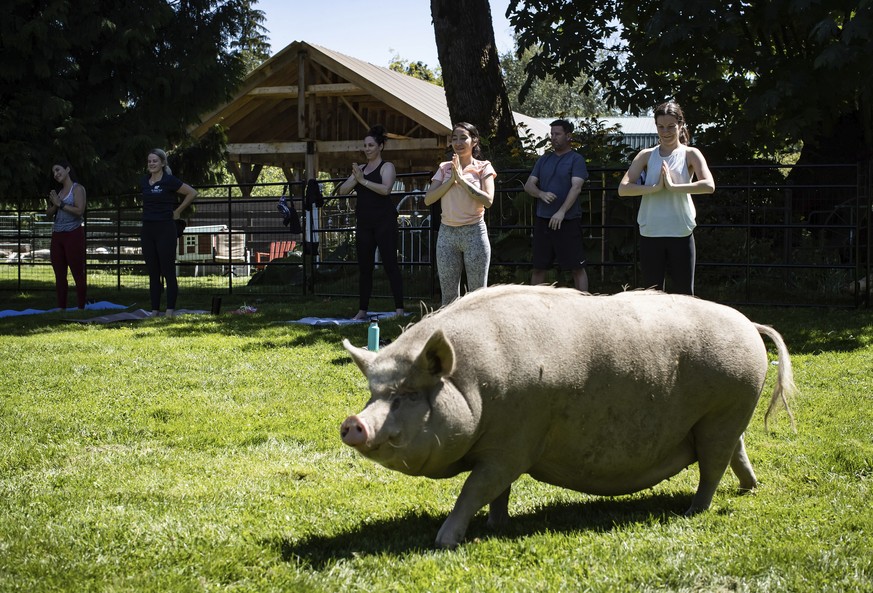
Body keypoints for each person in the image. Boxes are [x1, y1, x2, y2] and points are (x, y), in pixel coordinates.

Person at [618, 101, 715, 295]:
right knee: (652, 295)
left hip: (680, 231)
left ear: (680, 125)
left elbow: (709, 185)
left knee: (685, 295)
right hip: (651, 232)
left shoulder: (690, 153)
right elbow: (623, 189)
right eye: (661, 127)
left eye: (671, 126)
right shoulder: (645, 155)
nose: (666, 131)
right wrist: (654, 188)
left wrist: (673, 187)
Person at [425, 122, 496, 306]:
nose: (458, 142)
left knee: (478, 296)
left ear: (474, 140)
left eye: (463, 137)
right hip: (447, 234)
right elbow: (428, 199)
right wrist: (450, 180)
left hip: (474, 234)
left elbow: (488, 201)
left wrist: (462, 181)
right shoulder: (445, 168)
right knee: (448, 299)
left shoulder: (484, 167)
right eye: (454, 138)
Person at [337, 125, 404, 320]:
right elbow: (343, 191)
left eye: (371, 145)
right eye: (365, 145)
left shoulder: (387, 167)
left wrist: (363, 181)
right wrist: (356, 178)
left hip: (385, 222)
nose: (367, 149)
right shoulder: (361, 169)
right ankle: (362, 310)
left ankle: (399, 309)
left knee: (390, 264)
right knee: (364, 267)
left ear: (380, 146)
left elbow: (385, 189)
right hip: (364, 223)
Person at [524, 119, 590, 291]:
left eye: (557, 134)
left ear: (568, 136)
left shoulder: (577, 159)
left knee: (577, 268)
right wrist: (541, 193)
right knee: (539, 267)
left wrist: (561, 212)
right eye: (551, 134)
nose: (553, 138)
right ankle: (534, 307)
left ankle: (585, 307)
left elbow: (576, 187)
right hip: (543, 221)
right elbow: (529, 185)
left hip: (568, 220)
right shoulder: (543, 160)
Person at [139, 148, 198, 317]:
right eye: (149, 161)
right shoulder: (144, 181)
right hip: (148, 229)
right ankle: (154, 310)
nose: (151, 164)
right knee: (153, 271)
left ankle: (170, 310)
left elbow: (192, 192)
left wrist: (178, 211)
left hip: (166, 228)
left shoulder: (169, 180)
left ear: (163, 163)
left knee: (168, 270)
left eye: (155, 161)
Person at [46, 160, 87, 309]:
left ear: (67, 169)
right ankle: (61, 308)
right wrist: (55, 204)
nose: (56, 174)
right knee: (59, 274)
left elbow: (79, 211)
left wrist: (61, 204)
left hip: (73, 234)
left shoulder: (78, 189)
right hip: (57, 235)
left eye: (58, 170)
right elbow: (48, 214)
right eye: (54, 172)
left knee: (77, 272)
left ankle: (81, 308)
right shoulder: (57, 193)